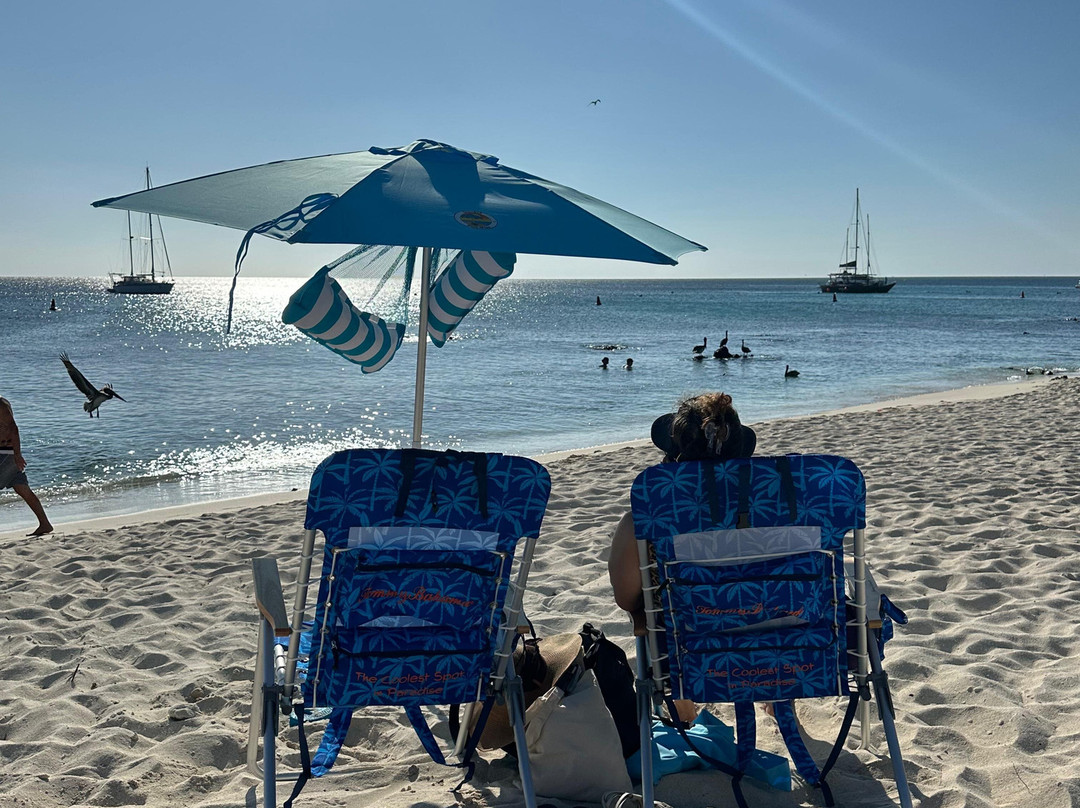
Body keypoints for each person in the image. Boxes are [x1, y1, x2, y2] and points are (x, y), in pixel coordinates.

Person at [607, 393, 755, 721]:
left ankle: (683, 711)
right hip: (780, 649)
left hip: (686, 651)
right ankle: (778, 701)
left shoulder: (646, 518)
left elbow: (625, 596)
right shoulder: (779, 509)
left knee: (648, 608)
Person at [0, 396, 53, 537]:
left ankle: (44, 523)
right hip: (7, 453)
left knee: (22, 489)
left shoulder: (1, 404)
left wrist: (17, 454)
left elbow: (13, 428)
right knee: (22, 488)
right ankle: (45, 524)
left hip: (6, 453)